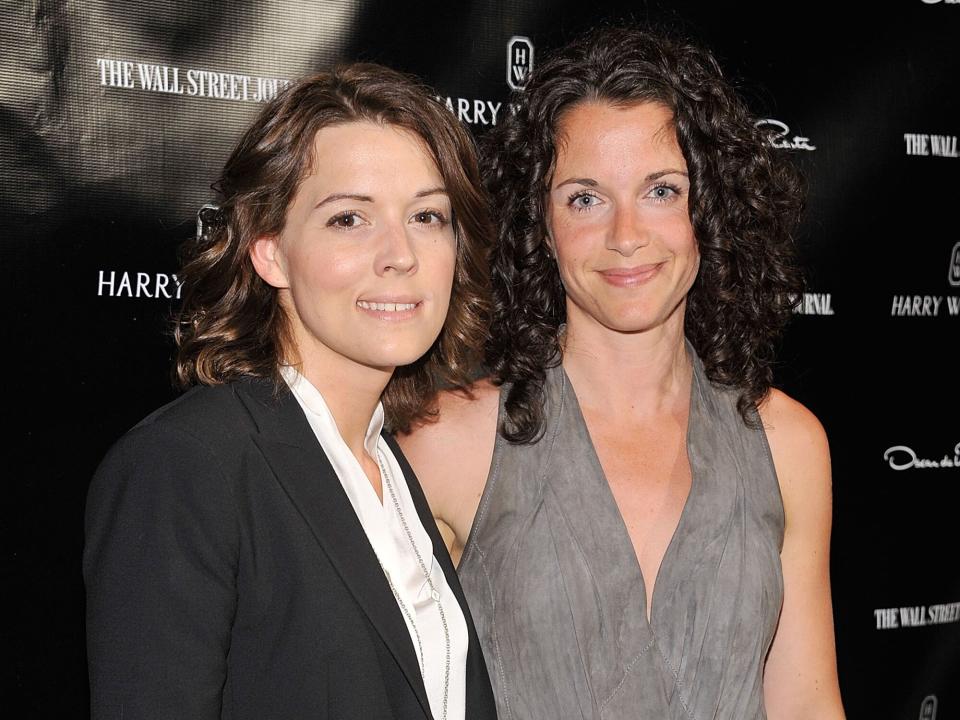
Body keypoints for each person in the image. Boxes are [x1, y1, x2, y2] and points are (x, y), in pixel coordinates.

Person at [398, 25, 846, 720]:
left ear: (711, 207)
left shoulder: (788, 443)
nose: (626, 234)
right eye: (585, 199)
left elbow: (808, 707)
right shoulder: (450, 441)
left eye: (662, 190)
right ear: (538, 225)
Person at [84, 63, 498, 720]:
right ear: (269, 249)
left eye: (427, 215)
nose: (400, 254)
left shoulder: (389, 467)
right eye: (348, 220)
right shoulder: (187, 466)